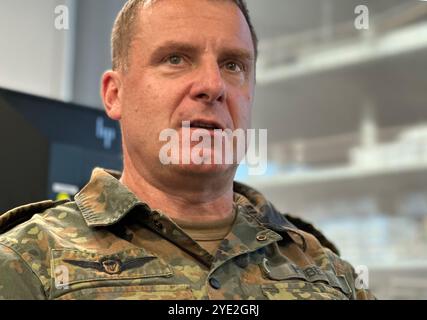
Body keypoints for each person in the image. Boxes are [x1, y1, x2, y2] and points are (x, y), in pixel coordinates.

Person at [0, 0, 374, 300]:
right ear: (115, 94)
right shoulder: (29, 262)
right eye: (175, 58)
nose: (213, 85)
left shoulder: (328, 276)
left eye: (233, 65)